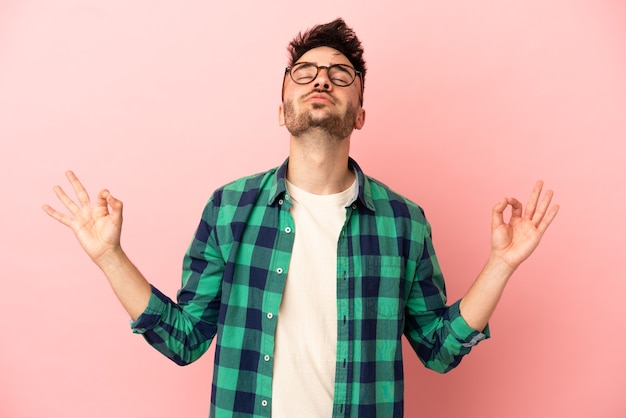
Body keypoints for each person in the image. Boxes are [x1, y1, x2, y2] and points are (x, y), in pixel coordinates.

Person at [43, 18, 559, 418]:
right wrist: (110, 257)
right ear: (283, 105)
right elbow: (184, 339)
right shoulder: (230, 209)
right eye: (305, 73)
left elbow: (439, 349)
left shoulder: (404, 222)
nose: (322, 81)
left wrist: (501, 264)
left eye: (341, 75)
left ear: (359, 112)